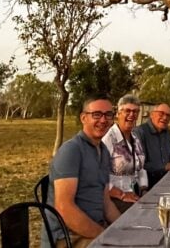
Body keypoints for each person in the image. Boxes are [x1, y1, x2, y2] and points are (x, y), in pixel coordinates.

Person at [44, 95, 121, 248]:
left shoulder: (103, 151)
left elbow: (106, 202)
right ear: (83, 118)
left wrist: (125, 226)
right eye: (97, 115)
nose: (103, 120)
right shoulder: (71, 150)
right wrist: (103, 235)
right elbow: (64, 208)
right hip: (69, 236)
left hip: (96, 228)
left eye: (109, 115)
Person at [101, 94, 147, 213]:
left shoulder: (135, 138)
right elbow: (97, 176)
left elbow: (141, 169)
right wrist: (121, 194)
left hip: (133, 194)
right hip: (113, 198)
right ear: (118, 113)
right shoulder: (109, 139)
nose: (132, 115)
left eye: (135, 111)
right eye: (127, 111)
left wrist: (144, 189)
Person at [134, 102, 170, 188]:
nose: (165, 117)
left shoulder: (167, 132)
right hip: (148, 185)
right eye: (161, 114)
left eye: (168, 115)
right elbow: (140, 165)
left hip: (168, 180)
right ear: (152, 115)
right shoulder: (140, 132)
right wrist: (166, 166)